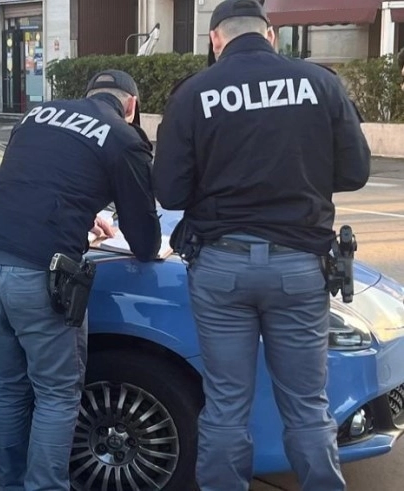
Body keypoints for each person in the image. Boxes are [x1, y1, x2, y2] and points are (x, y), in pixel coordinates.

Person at [151, 1, 371, 490]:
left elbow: (169, 191)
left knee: (227, 403)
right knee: (308, 404)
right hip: (299, 266)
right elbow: (355, 172)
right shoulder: (319, 83)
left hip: (221, 266)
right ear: (270, 35)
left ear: (215, 40)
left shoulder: (194, 94)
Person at [0, 69, 162, 490]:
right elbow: (144, 235)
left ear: (87, 92)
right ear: (130, 105)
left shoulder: (35, 116)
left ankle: (10, 483)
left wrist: (80, 213)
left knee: (7, 386)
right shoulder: (122, 135)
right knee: (57, 395)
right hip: (41, 276)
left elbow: (30, 185)